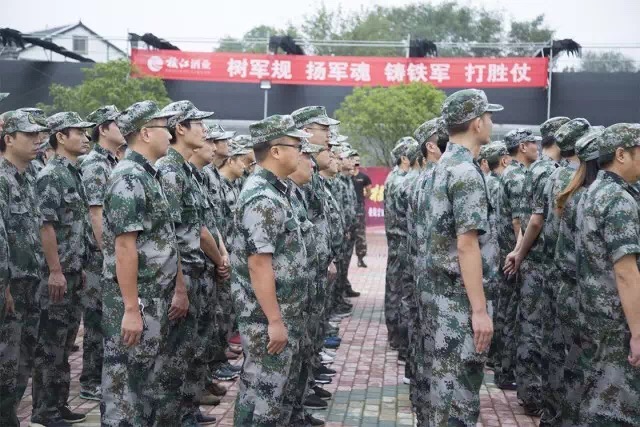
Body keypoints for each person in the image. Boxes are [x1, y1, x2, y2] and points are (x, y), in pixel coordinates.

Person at [100, 100, 187, 426]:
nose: (170, 135)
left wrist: (177, 287)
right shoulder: (129, 177)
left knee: (149, 384)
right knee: (126, 389)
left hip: (155, 296)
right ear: (146, 133)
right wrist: (131, 309)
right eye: (165, 128)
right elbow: (124, 247)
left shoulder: (148, 174)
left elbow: (165, 238)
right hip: (138, 298)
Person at [229, 114, 312, 426]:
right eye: (296, 146)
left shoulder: (277, 191)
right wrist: (275, 321)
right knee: (265, 394)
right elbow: (258, 263)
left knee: (269, 393)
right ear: (275, 151)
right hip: (265, 316)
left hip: (281, 311)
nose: (302, 153)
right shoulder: (262, 196)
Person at [424, 88, 498, 425]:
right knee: (458, 395)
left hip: (442, 294)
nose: (491, 123)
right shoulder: (465, 172)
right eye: (488, 117)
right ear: (476, 123)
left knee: (445, 387)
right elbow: (466, 245)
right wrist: (479, 311)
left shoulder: (443, 166)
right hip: (459, 299)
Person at [156, 100, 227, 426]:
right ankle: (177, 416)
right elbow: (175, 232)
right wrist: (217, 258)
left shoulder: (187, 171)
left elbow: (203, 223)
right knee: (176, 353)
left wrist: (219, 257)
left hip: (198, 270)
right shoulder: (170, 172)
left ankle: (187, 410)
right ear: (180, 128)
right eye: (198, 124)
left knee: (192, 347)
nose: (205, 131)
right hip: (181, 273)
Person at [572, 123, 640, 426]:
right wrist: (638, 332)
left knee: (597, 398)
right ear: (621, 155)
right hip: (617, 320)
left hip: (594, 313)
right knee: (616, 408)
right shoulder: (618, 200)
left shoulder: (593, 192)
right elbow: (625, 272)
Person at [31, 112, 95, 426]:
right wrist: (55, 270)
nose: (85, 137)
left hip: (72, 271)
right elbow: (46, 226)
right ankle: (45, 410)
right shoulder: (51, 175)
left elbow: (75, 227)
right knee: (50, 344)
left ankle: (58, 404)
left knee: (65, 343)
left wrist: (78, 266)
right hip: (56, 275)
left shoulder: (73, 173)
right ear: (60, 137)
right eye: (78, 132)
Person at [550, 126, 603, 424]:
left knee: (571, 366)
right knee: (585, 371)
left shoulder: (575, 193)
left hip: (571, 291)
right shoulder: (591, 197)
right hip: (586, 295)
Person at [0, 110, 49, 427]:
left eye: (38, 134)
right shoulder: (1, 180)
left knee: (23, 361)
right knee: (5, 363)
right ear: (8, 139)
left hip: (32, 285)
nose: (37, 140)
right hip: (11, 288)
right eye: (29, 135)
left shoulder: (30, 177)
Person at [78, 105, 124, 402]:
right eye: (117, 124)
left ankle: (102, 376)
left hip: (109, 254)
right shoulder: (95, 164)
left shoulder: (113, 161)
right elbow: (96, 213)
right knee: (97, 319)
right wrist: (109, 254)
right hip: (98, 257)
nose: (123, 128)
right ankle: (91, 380)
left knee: (107, 317)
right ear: (103, 129)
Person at [410, 117, 446, 425]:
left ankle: (424, 408)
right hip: (439, 283)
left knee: (427, 350)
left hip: (427, 278)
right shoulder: (436, 179)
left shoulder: (425, 179)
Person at [383, 137, 414, 351]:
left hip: (396, 240)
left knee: (394, 287)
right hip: (401, 239)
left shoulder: (394, 177)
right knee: (401, 290)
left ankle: (394, 333)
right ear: (404, 158)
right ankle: (399, 336)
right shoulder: (402, 181)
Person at [351, 156, 372, 267]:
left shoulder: (364, 177)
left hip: (359, 208)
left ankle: (361, 258)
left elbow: (369, 191)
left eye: (358, 162)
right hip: (347, 208)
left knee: (360, 235)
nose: (356, 164)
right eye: (355, 161)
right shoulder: (347, 177)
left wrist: (361, 198)